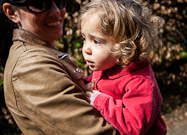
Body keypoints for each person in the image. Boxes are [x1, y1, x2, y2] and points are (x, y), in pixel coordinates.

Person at [1, 0, 119, 134]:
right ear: (12, 13)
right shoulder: (31, 66)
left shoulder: (43, 53)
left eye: (60, 1)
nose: (57, 11)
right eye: (40, 4)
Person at [79, 0, 167, 134]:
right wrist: (85, 83)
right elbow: (101, 80)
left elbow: (134, 125)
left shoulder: (139, 82)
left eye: (96, 41)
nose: (86, 49)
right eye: (84, 38)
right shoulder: (108, 65)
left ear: (124, 45)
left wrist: (100, 100)